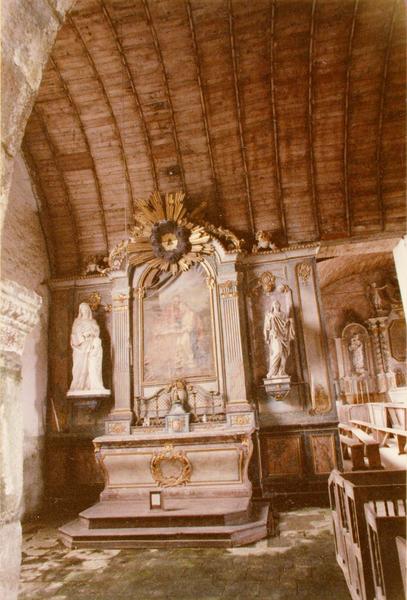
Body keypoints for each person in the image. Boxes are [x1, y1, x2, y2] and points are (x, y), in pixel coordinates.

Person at [69, 302, 108, 392]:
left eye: (86, 309)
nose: (85, 311)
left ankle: (90, 385)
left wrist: (91, 334)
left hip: (91, 346)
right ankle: (78, 386)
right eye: (83, 310)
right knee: (79, 367)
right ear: (80, 311)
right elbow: (74, 335)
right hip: (80, 347)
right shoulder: (77, 321)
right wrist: (83, 336)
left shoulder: (93, 322)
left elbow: (97, 333)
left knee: (91, 366)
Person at [264, 300, 295, 378]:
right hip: (275, 335)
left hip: (283, 335)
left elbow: (285, 324)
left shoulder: (283, 314)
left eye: (278, 304)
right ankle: (272, 371)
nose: (277, 305)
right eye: (275, 304)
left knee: (284, 353)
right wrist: (266, 336)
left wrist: (290, 321)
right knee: (278, 351)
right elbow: (267, 327)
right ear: (272, 306)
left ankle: (281, 371)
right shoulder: (270, 315)